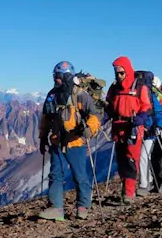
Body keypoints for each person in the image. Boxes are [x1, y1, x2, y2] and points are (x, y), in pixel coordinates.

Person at [38, 61, 101, 221]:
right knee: (55, 174)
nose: (55, 79)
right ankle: (56, 208)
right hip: (57, 141)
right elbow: (46, 117)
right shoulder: (52, 95)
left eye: (57, 76)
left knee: (79, 175)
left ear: (64, 76)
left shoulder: (79, 94)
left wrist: (89, 129)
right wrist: (43, 137)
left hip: (75, 141)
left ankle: (83, 206)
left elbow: (94, 115)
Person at [103, 56, 152, 204]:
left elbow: (146, 107)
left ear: (127, 71)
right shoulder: (114, 88)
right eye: (116, 73)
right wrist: (103, 119)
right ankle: (126, 188)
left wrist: (141, 118)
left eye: (121, 73)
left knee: (131, 159)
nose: (118, 76)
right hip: (118, 128)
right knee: (121, 160)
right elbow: (109, 107)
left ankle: (129, 193)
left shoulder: (139, 87)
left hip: (133, 128)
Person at [137, 74, 162, 197]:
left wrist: (157, 127)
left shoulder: (150, 97)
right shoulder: (149, 95)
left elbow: (159, 114)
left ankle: (144, 185)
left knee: (143, 157)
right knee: (144, 157)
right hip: (144, 131)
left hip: (149, 132)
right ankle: (147, 182)